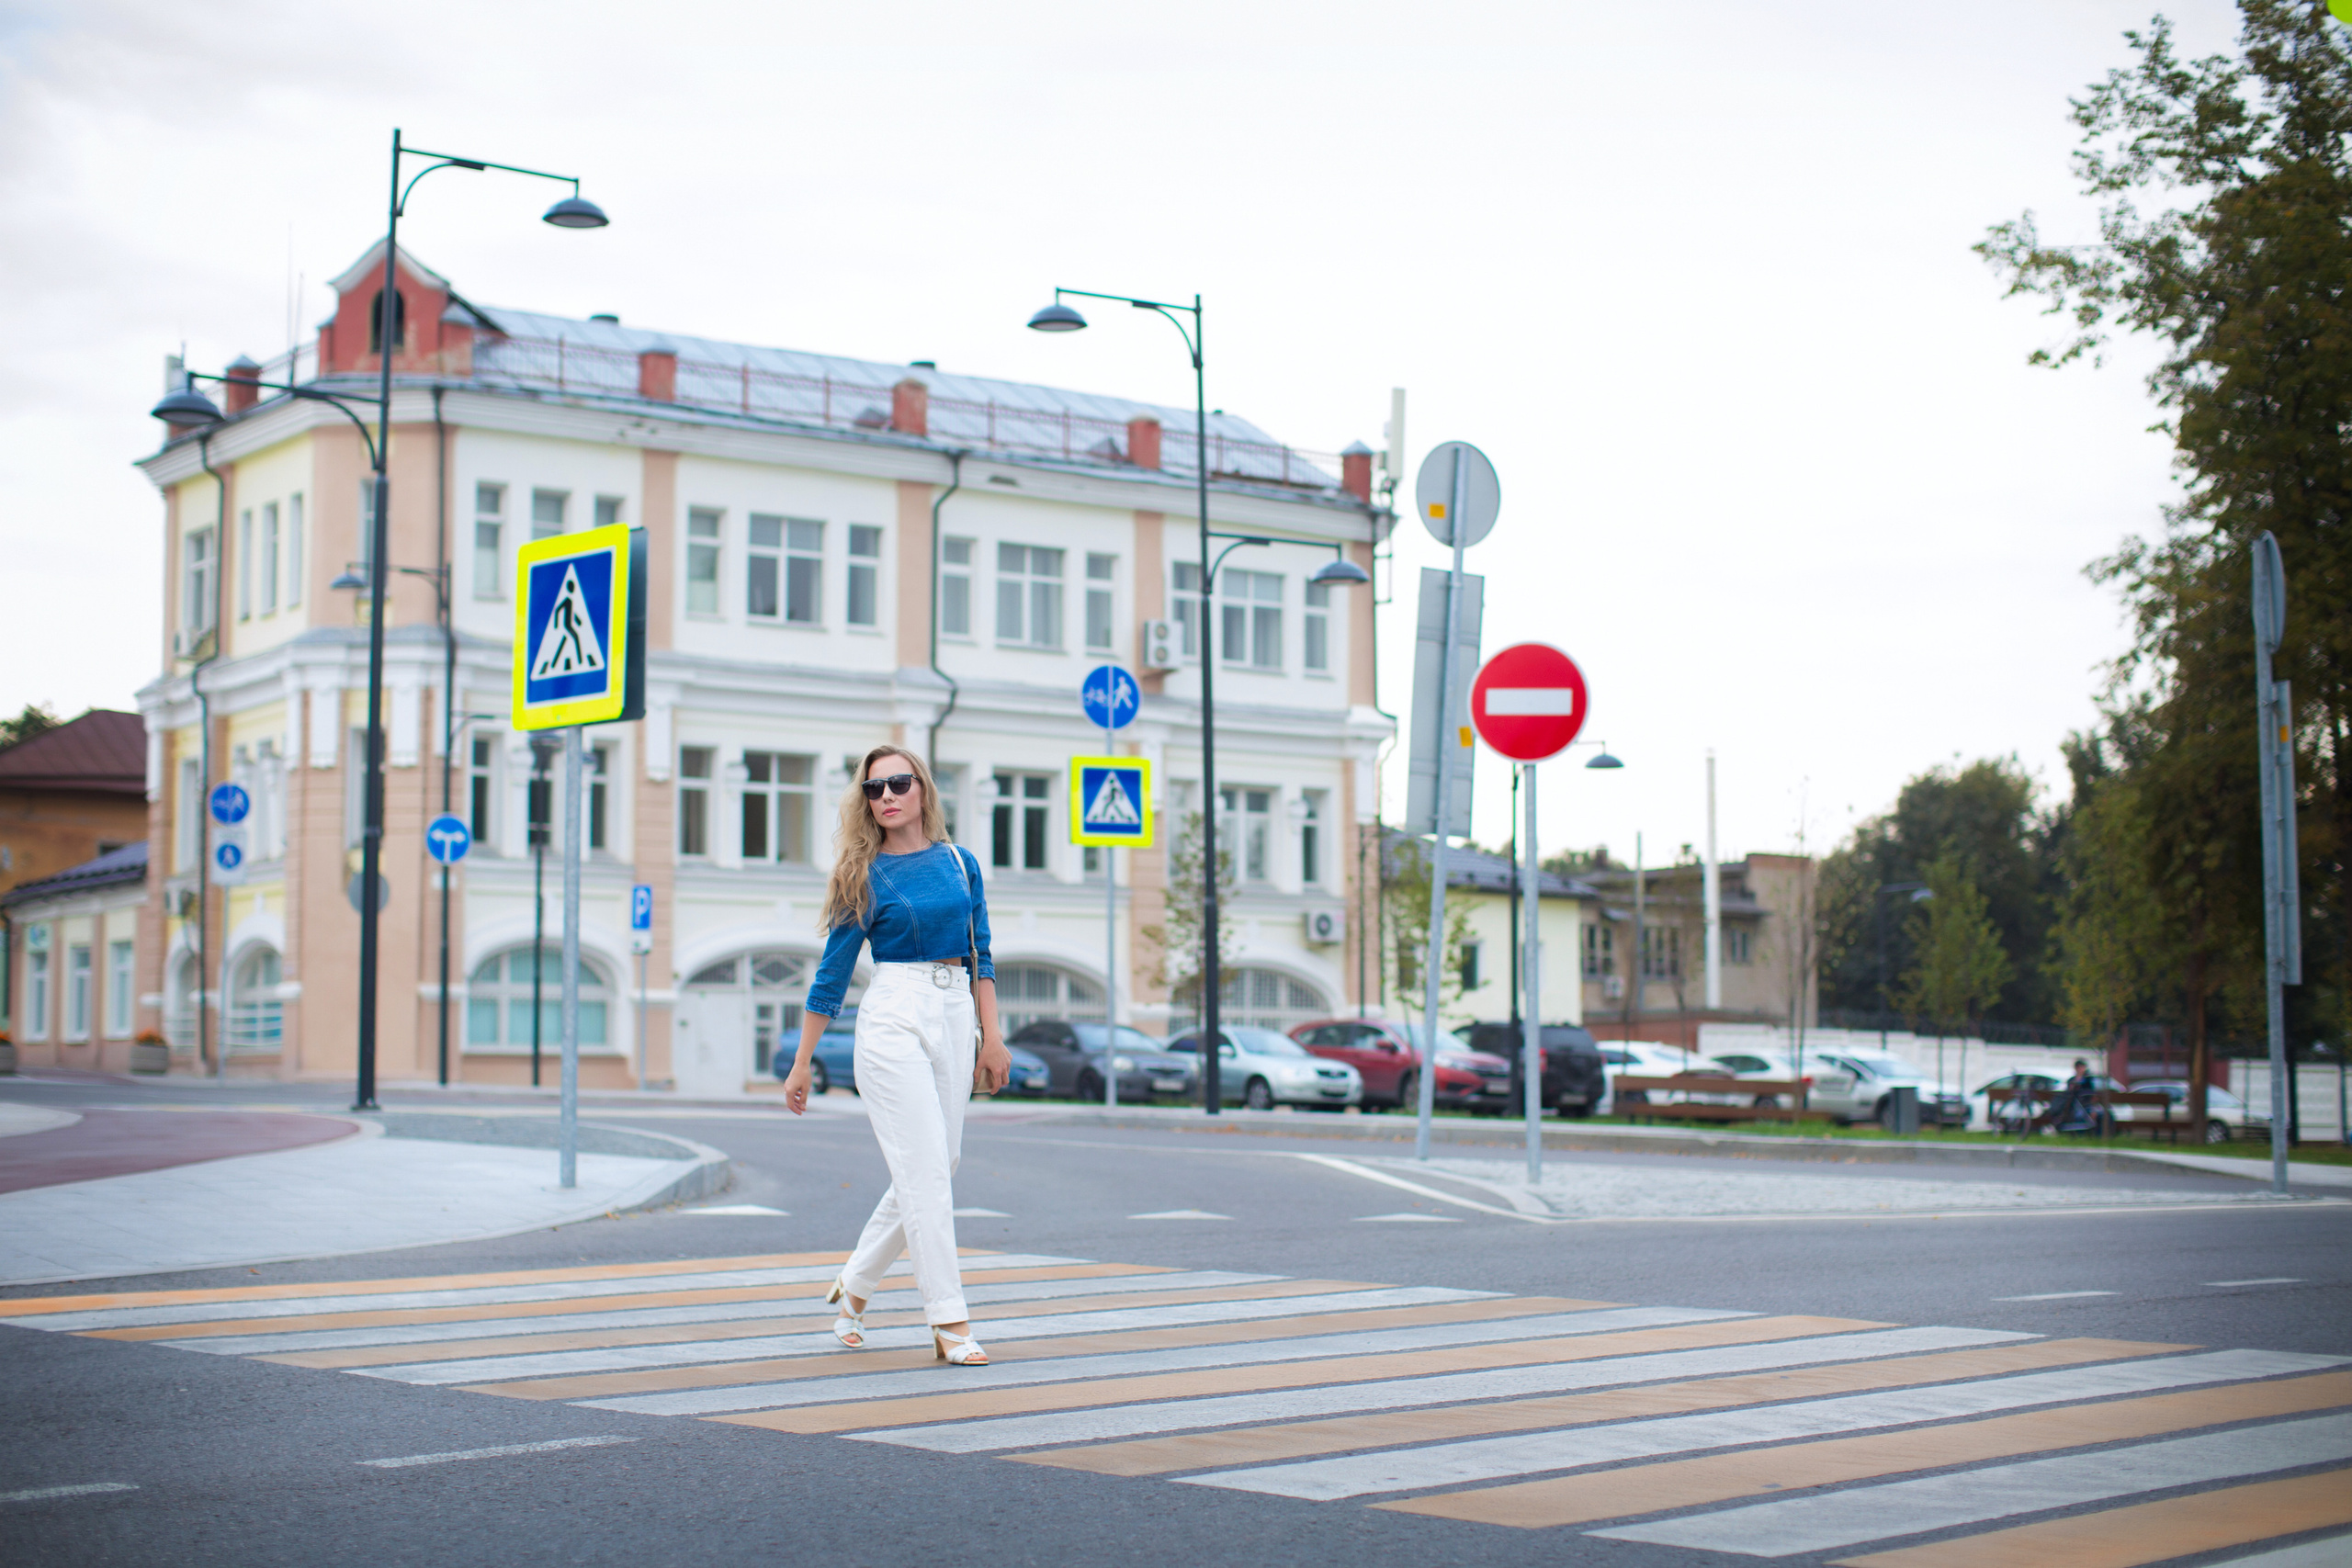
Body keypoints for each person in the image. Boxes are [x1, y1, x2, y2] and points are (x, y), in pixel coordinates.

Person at [781, 747, 1011, 1366]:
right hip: (893, 1014)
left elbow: (981, 952)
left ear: (921, 789)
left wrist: (992, 1034)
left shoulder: (961, 863)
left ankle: (854, 1283)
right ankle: (950, 1321)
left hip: (956, 1007)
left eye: (897, 783)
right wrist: (803, 1060)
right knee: (929, 1173)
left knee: (939, 1162)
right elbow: (831, 977)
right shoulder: (863, 873)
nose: (886, 795)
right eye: (874, 788)